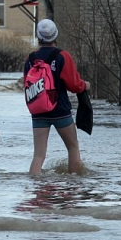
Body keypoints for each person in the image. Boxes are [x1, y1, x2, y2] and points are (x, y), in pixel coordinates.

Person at [24, 19, 90, 175]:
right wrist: (85, 85)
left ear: (38, 36)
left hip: (38, 110)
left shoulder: (30, 59)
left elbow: (27, 85)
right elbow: (74, 85)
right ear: (55, 35)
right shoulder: (62, 56)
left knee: (38, 155)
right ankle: (73, 184)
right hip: (60, 110)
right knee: (72, 147)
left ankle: (35, 188)